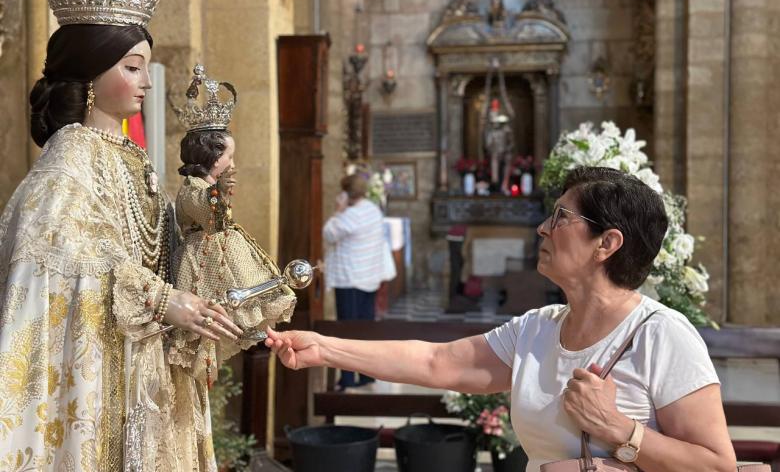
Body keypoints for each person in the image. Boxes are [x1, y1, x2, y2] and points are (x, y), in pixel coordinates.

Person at [266, 167, 738, 472]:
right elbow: (435, 362)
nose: (542, 227)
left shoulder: (662, 335)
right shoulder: (538, 328)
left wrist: (621, 431)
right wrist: (324, 348)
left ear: (606, 244)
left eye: (560, 217)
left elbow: (717, 465)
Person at [0, 0, 242, 469]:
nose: (146, 81)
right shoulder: (69, 159)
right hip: (108, 378)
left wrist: (201, 202)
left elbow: (154, 247)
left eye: (144, 67)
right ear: (90, 73)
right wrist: (159, 301)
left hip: (149, 367)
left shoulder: (130, 157)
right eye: (131, 67)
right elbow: (58, 259)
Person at [170, 64, 297, 391]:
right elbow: (211, 218)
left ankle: (250, 323)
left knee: (246, 288)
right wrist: (220, 191)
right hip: (203, 259)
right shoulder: (192, 188)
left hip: (221, 249)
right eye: (229, 156)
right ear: (211, 156)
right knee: (222, 305)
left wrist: (223, 191)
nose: (234, 163)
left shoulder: (208, 185)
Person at [322, 174, 396, 390]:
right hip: (369, 277)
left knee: (347, 331)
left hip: (350, 279)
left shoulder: (350, 216)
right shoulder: (373, 210)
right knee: (365, 330)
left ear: (346, 193)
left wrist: (338, 209)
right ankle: (366, 375)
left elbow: (328, 234)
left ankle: (346, 379)